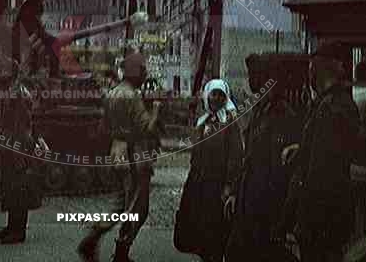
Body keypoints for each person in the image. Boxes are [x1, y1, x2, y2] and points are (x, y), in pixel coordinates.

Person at [277, 42, 360, 262]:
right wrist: (302, 149)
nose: (309, 75)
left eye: (311, 68)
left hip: (322, 219)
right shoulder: (333, 103)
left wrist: (300, 220)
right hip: (328, 216)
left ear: (320, 70)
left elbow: (321, 171)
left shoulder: (331, 107)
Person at [77, 51, 162, 262]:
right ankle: (118, 251)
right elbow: (146, 128)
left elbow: (103, 128)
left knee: (122, 205)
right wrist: (157, 111)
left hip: (117, 151)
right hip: (134, 155)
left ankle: (94, 239)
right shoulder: (132, 95)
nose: (145, 74)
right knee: (137, 208)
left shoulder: (113, 93)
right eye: (142, 70)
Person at [225, 54, 309, 262]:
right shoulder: (260, 111)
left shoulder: (283, 115)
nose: (251, 81)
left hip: (266, 207)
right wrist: (236, 192)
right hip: (249, 200)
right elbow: (249, 158)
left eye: (256, 76)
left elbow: (280, 171)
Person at [176, 79, 243, 262]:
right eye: (213, 94)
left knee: (214, 231)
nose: (216, 98)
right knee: (197, 228)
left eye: (221, 95)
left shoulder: (229, 122)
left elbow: (235, 156)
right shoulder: (202, 121)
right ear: (207, 95)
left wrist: (229, 185)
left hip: (217, 184)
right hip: (198, 184)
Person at [0, 80, 43, 244]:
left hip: (17, 143)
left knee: (19, 187)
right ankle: (12, 226)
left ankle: (18, 231)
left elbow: (21, 124)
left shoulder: (18, 93)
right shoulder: (12, 91)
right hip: (12, 141)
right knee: (11, 186)